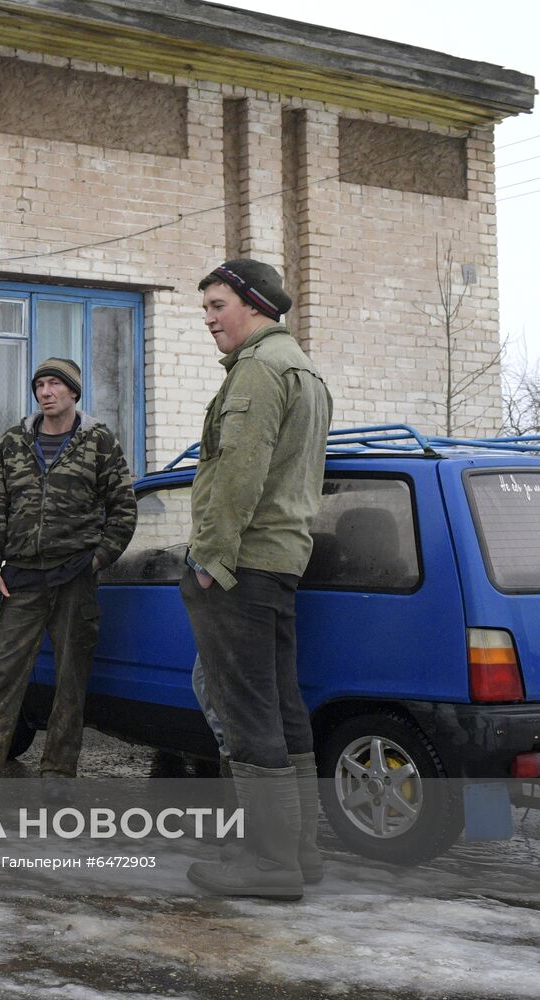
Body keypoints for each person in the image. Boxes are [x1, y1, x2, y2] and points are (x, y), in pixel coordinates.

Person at [182, 259, 332, 901]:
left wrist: (209, 561)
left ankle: (269, 862)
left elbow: (238, 473)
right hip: (279, 559)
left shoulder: (259, 369)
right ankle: (299, 853)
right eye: (206, 308)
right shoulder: (303, 369)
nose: (209, 319)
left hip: (241, 564)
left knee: (246, 712)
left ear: (253, 304)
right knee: (281, 708)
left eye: (218, 305)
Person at [0, 358, 137, 805]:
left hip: (74, 579)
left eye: (55, 384)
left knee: (70, 680)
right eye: (40, 384)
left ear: (73, 392)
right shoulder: (14, 442)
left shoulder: (99, 441)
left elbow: (123, 507)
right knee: (0, 675)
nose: (46, 391)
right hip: (20, 578)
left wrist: (98, 559)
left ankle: (59, 774)